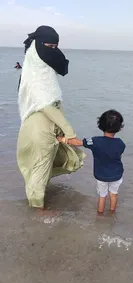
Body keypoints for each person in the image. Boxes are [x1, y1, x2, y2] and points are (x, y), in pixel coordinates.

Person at [17, 25, 85, 212]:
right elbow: (46, 105)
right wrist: (69, 131)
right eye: (49, 46)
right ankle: (38, 212)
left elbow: (51, 102)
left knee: (42, 167)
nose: (53, 51)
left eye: (56, 47)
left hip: (45, 128)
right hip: (41, 130)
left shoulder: (40, 70)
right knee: (40, 169)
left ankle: (36, 202)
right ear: (38, 45)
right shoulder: (35, 77)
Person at [58, 110, 125, 215]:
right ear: (119, 127)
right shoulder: (121, 143)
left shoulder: (95, 141)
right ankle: (112, 213)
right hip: (117, 174)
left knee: (102, 196)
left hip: (101, 175)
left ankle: (100, 215)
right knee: (114, 195)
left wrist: (62, 139)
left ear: (101, 124)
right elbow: (118, 157)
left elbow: (78, 142)